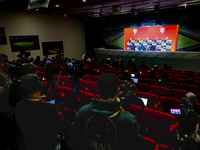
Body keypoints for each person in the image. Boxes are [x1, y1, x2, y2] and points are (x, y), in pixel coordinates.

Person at [69, 73, 143, 150]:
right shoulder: (128, 119)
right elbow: (135, 136)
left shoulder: (82, 111)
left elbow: (75, 139)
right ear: (117, 90)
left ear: (98, 89)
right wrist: (120, 108)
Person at [14, 74, 63, 150]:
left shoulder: (19, 105)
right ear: (40, 88)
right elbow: (59, 126)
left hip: (28, 144)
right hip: (47, 145)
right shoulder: (49, 108)